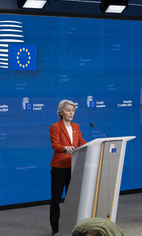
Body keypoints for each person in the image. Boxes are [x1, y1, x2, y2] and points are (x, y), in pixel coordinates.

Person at [49, 100, 86, 235]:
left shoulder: (76, 126)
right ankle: (56, 229)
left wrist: (91, 145)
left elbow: (81, 142)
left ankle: (71, 226)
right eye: (68, 110)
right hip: (59, 167)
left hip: (73, 166)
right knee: (56, 199)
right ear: (61, 112)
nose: (71, 113)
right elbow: (55, 145)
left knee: (72, 199)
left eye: (73, 110)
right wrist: (65, 148)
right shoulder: (55, 127)